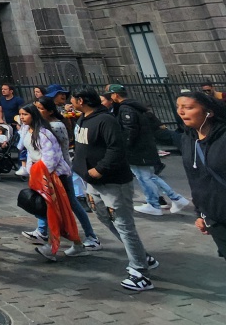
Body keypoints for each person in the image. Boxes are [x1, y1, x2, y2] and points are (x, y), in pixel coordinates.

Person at [71, 87, 159, 291]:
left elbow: (117, 148)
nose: (71, 103)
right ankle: (141, 256)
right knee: (102, 216)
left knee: (123, 224)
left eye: (73, 100)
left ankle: (141, 272)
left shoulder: (106, 120)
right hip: (92, 181)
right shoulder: (83, 119)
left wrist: (100, 169)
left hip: (112, 182)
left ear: (81, 100)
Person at [106, 84, 190, 216]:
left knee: (145, 177)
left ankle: (155, 204)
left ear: (115, 95)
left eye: (110, 95)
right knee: (149, 176)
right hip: (143, 147)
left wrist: (125, 147)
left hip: (138, 149)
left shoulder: (126, 108)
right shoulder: (133, 106)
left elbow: (129, 130)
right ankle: (175, 198)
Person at [16, 105, 84, 260]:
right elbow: (21, 147)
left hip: (52, 177)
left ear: (33, 115)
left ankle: (53, 247)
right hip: (39, 174)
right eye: (20, 114)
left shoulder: (44, 133)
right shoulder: (28, 131)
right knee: (51, 211)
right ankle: (72, 244)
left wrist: (41, 174)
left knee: (57, 211)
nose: (21, 117)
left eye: (25, 114)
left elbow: (50, 158)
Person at [34, 95, 100, 250]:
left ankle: (91, 236)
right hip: (50, 170)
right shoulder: (44, 125)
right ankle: (44, 232)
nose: (36, 111)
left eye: (40, 108)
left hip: (60, 170)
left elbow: (57, 150)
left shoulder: (56, 126)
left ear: (50, 111)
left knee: (72, 203)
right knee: (49, 203)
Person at [176, 90, 226, 260]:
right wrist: (200, 214)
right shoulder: (187, 139)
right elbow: (195, 180)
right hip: (215, 217)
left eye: (188, 107)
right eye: (178, 107)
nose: (181, 112)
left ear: (209, 112)